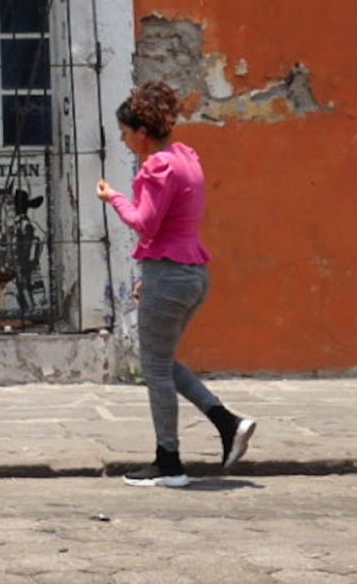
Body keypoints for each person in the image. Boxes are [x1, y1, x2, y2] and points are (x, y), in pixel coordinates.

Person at [94, 80, 256, 487]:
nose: (124, 140)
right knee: (162, 362)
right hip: (189, 273)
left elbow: (144, 222)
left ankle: (169, 462)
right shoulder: (185, 158)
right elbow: (170, 226)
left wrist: (113, 197)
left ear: (142, 132)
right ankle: (227, 423)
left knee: (155, 370)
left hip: (170, 274)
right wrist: (151, 276)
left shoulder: (158, 166)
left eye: (126, 133)